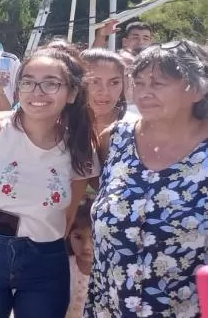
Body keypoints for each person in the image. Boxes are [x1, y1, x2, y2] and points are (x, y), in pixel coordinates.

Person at [0, 47, 97, 318]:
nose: (37, 92)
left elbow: (69, 211)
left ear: (72, 93)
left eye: (51, 83)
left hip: (46, 261)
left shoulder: (79, 147)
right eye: (28, 81)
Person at [87, 40, 208, 317]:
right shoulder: (115, 138)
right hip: (111, 306)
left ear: (197, 89)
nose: (144, 93)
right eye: (139, 83)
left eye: (158, 83)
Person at [80, 48, 138, 136]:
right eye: (94, 81)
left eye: (114, 83)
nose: (105, 91)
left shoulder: (136, 128)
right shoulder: (63, 128)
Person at [66, 199, 93, 318]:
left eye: (93, 238)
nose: (86, 246)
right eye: (78, 237)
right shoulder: (63, 267)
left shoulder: (107, 272)